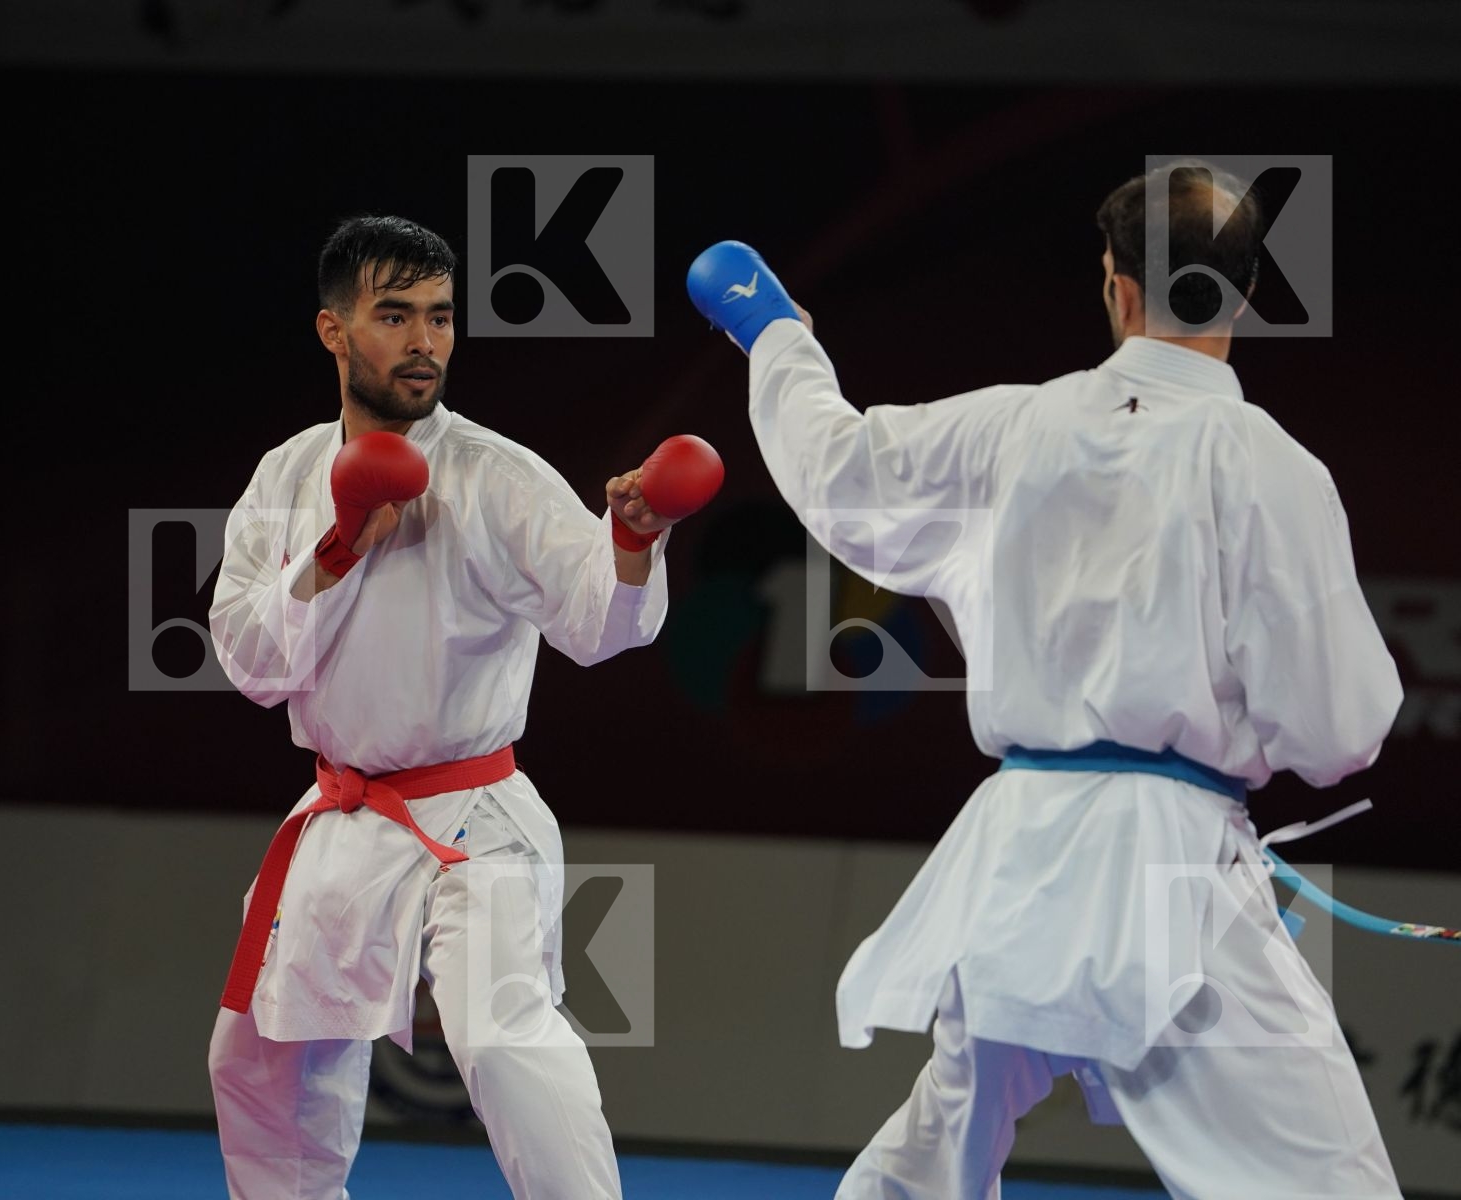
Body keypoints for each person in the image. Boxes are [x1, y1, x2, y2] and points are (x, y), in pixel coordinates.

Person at [686, 160, 1404, 1198]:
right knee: (1325, 1180)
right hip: (1171, 869)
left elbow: (839, 470)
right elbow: (1339, 733)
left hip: (1020, 855)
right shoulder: (1271, 468)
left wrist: (775, 334)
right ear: (1247, 291)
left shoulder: (1011, 427)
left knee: (940, 1139)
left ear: (1115, 286)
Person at [206, 215, 682, 1200]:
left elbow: (601, 625)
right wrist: (334, 550)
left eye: (441, 316)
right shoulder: (286, 476)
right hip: (341, 815)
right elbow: (248, 664)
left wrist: (632, 542)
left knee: (506, 1045)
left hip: (475, 814)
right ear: (334, 331)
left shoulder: (494, 476)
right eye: (395, 316)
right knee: (254, 1065)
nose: (426, 342)